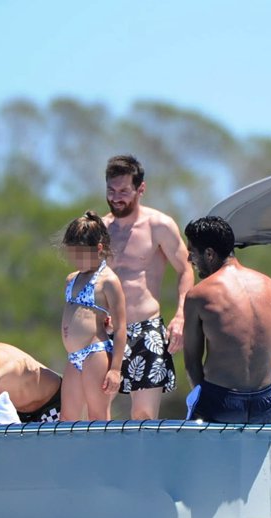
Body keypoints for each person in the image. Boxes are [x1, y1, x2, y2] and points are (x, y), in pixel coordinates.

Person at [182, 216, 271, 518]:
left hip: (219, 398)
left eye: (192, 253)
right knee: (252, 482)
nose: (190, 260)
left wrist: (201, 396)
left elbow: (192, 361)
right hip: (264, 400)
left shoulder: (199, 295)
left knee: (209, 481)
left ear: (209, 254)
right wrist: (258, 349)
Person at [103, 155, 195, 419]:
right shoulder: (100, 228)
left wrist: (181, 315)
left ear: (140, 189)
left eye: (123, 191)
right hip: (105, 330)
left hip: (145, 329)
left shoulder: (159, 225)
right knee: (97, 413)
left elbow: (186, 269)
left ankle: (142, 461)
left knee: (143, 415)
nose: (116, 197)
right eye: (111, 190)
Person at [60, 211, 127, 420]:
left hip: (95, 352)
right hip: (73, 356)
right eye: (73, 253)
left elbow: (121, 326)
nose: (76, 259)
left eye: (81, 253)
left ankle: (104, 453)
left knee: (97, 417)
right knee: (67, 418)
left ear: (98, 248)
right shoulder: (72, 278)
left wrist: (115, 369)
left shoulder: (108, 281)